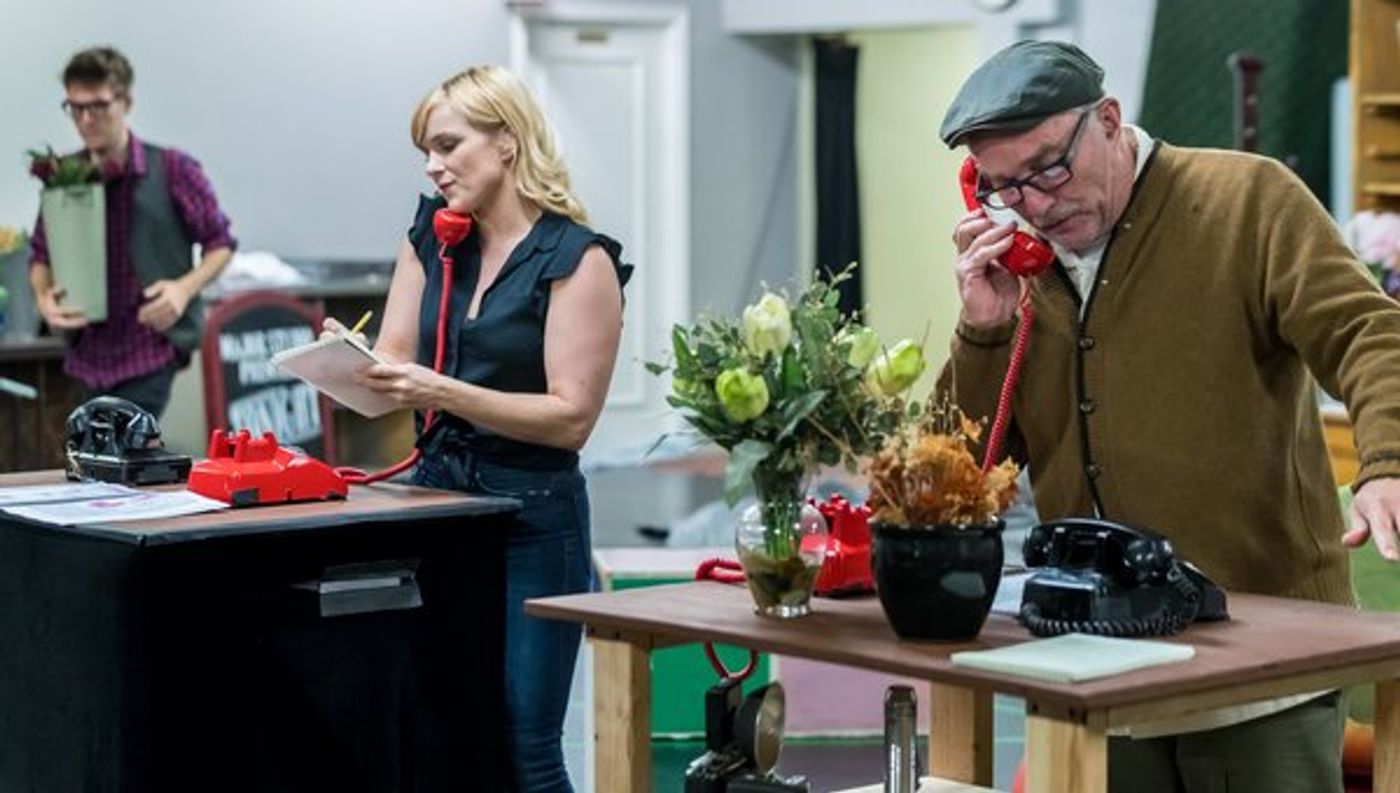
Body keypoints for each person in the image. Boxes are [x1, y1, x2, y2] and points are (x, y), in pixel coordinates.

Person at [938, 40, 1400, 792]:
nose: (1038, 202)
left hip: (1260, 674)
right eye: (1004, 187)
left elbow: (1368, 332)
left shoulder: (1250, 200)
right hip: (1089, 675)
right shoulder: (1014, 267)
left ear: (1110, 121)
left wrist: (1387, 461)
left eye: (1051, 166)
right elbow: (958, 472)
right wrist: (983, 328)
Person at [324, 65, 629, 792]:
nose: (433, 165)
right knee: (441, 730)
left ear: (507, 144)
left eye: (448, 144)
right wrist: (347, 361)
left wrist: (438, 389)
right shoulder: (430, 238)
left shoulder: (578, 261)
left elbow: (571, 419)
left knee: (525, 744)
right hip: (438, 503)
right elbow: (396, 363)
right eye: (426, 150)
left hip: (534, 517)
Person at [29, 46, 236, 418]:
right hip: (85, 349)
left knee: (125, 458)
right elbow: (41, 253)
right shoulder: (61, 174)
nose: (86, 119)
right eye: (75, 108)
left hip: (149, 346)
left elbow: (220, 244)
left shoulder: (174, 169)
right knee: (91, 463)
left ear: (126, 102)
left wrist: (182, 289)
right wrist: (44, 298)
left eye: (98, 106)